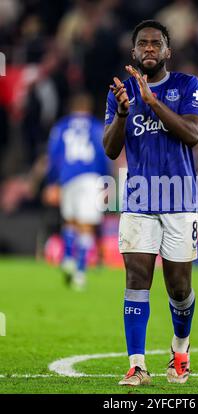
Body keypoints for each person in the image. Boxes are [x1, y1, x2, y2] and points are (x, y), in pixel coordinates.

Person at [103, 20, 198, 385]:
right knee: (136, 278)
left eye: (155, 43)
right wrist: (122, 113)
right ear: (133, 52)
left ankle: (180, 349)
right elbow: (111, 148)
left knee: (178, 288)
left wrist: (153, 102)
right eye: (142, 43)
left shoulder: (187, 85)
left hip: (181, 199)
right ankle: (137, 365)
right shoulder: (120, 92)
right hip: (138, 199)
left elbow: (193, 134)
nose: (149, 48)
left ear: (167, 51)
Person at [44, 92, 109, 290]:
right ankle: (80, 272)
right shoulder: (97, 127)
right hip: (90, 178)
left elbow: (53, 155)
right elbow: (104, 153)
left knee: (70, 221)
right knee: (86, 225)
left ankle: (67, 260)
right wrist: (106, 181)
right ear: (88, 109)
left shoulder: (61, 126)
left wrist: (52, 181)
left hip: (67, 177)